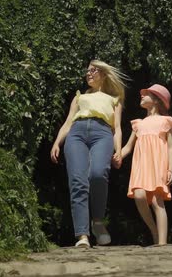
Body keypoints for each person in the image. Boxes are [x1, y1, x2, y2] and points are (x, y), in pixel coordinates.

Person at [50, 60, 128, 248]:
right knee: (78, 180)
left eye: (93, 70)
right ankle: (82, 235)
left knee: (98, 173)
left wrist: (118, 150)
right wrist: (57, 142)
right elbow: (68, 122)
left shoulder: (114, 98)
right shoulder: (78, 97)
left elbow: (117, 128)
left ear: (103, 74)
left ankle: (98, 222)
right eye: (87, 71)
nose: (89, 74)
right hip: (76, 133)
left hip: (102, 133)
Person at [120, 84, 172, 245]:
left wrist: (169, 169)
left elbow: (170, 146)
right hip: (141, 165)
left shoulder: (165, 121)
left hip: (158, 164)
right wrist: (117, 156)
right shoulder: (138, 123)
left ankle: (162, 243)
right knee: (139, 195)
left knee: (157, 201)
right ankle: (153, 229)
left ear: (156, 101)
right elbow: (128, 147)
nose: (142, 96)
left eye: (146, 94)